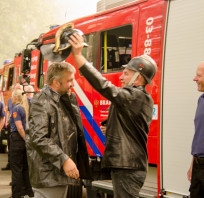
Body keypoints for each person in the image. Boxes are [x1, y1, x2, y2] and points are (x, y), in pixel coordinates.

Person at [69, 33, 157, 197]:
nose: (121, 77)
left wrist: (79, 56)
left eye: (127, 73)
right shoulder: (136, 97)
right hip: (127, 167)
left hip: (128, 168)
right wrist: (111, 128)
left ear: (139, 79)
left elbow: (104, 87)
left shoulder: (136, 96)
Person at [26, 62, 91, 198]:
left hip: (58, 174)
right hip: (49, 176)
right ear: (55, 82)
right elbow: (39, 138)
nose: (73, 84)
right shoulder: (41, 102)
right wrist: (64, 160)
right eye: (69, 80)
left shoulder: (64, 98)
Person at [9, 89, 33, 198]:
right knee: (25, 168)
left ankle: (17, 194)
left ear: (15, 97)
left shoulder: (16, 109)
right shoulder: (26, 108)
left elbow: (19, 127)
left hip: (17, 140)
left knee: (16, 168)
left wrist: (25, 139)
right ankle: (28, 191)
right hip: (26, 140)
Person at [187, 61, 204, 197]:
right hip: (199, 166)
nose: (194, 79)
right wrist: (193, 163)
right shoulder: (201, 100)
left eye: (199, 75)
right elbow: (199, 135)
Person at [1, 83, 23, 171]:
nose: (18, 91)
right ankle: (10, 164)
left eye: (19, 89)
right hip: (11, 125)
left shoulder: (25, 100)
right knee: (10, 146)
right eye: (16, 89)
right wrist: (6, 122)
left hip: (20, 126)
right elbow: (9, 112)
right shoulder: (10, 100)